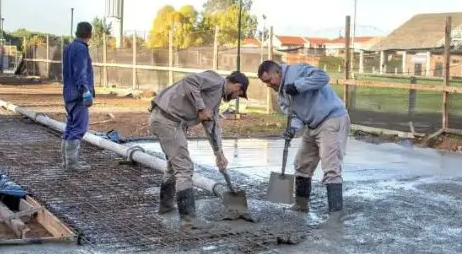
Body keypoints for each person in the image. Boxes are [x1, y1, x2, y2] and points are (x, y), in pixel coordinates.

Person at [148, 69, 249, 225]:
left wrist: (219, 154)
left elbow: (212, 127)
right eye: (238, 95)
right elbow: (189, 81)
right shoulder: (216, 80)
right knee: (184, 168)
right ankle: (188, 220)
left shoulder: (214, 100)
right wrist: (201, 108)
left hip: (171, 122)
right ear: (237, 86)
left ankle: (166, 207)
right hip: (166, 120)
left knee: (174, 166)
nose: (236, 97)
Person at [257, 59, 350, 222]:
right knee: (302, 163)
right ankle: (301, 204)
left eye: (268, 80)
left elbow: (323, 77)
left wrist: (298, 86)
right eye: (264, 82)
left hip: (332, 119)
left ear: (278, 72)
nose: (268, 85)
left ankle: (336, 213)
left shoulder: (298, 71)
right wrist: (292, 129)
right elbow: (295, 116)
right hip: (312, 125)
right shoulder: (281, 94)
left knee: (330, 167)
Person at [61, 21, 95, 171]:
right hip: (78, 95)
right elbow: (80, 72)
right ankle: (72, 163)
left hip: (68, 93)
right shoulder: (81, 49)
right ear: (89, 34)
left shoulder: (69, 47)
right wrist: (85, 91)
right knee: (79, 128)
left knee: (70, 126)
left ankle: (66, 161)